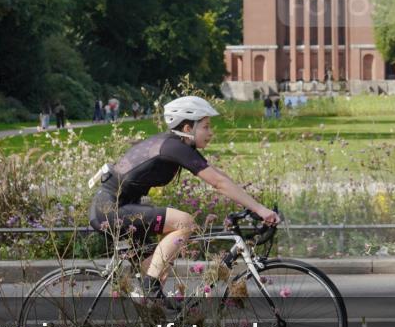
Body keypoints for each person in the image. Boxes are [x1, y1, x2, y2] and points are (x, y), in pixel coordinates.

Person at [88, 96, 280, 302]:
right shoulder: (174, 147)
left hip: (117, 207)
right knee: (185, 223)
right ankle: (149, 287)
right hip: (111, 209)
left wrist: (253, 205)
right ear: (188, 128)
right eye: (206, 127)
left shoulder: (174, 144)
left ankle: (152, 324)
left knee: (159, 272)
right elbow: (218, 183)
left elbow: (220, 177)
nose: (211, 132)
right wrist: (260, 210)